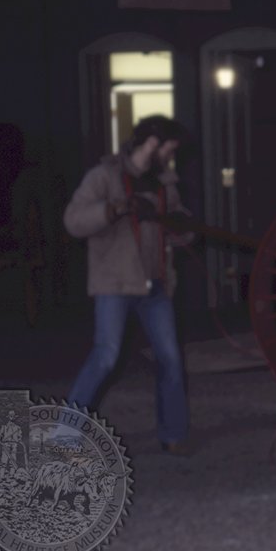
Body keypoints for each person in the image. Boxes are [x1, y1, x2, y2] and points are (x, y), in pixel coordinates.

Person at [64, 115, 192, 455]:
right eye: (169, 149)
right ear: (152, 144)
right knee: (105, 357)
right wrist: (116, 208)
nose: (171, 157)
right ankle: (66, 436)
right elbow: (73, 220)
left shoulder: (164, 183)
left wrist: (182, 226)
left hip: (155, 287)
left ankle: (174, 434)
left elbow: (182, 225)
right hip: (115, 284)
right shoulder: (103, 176)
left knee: (170, 359)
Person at [0, 410, 22, 478]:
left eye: (13, 416)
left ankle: (11, 475)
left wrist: (18, 440)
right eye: (11, 416)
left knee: (13, 460)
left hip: (14, 445)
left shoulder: (18, 428)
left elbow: (20, 436)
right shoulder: (4, 427)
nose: (12, 418)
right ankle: (1, 476)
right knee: (4, 459)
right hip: (6, 444)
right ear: (8, 417)